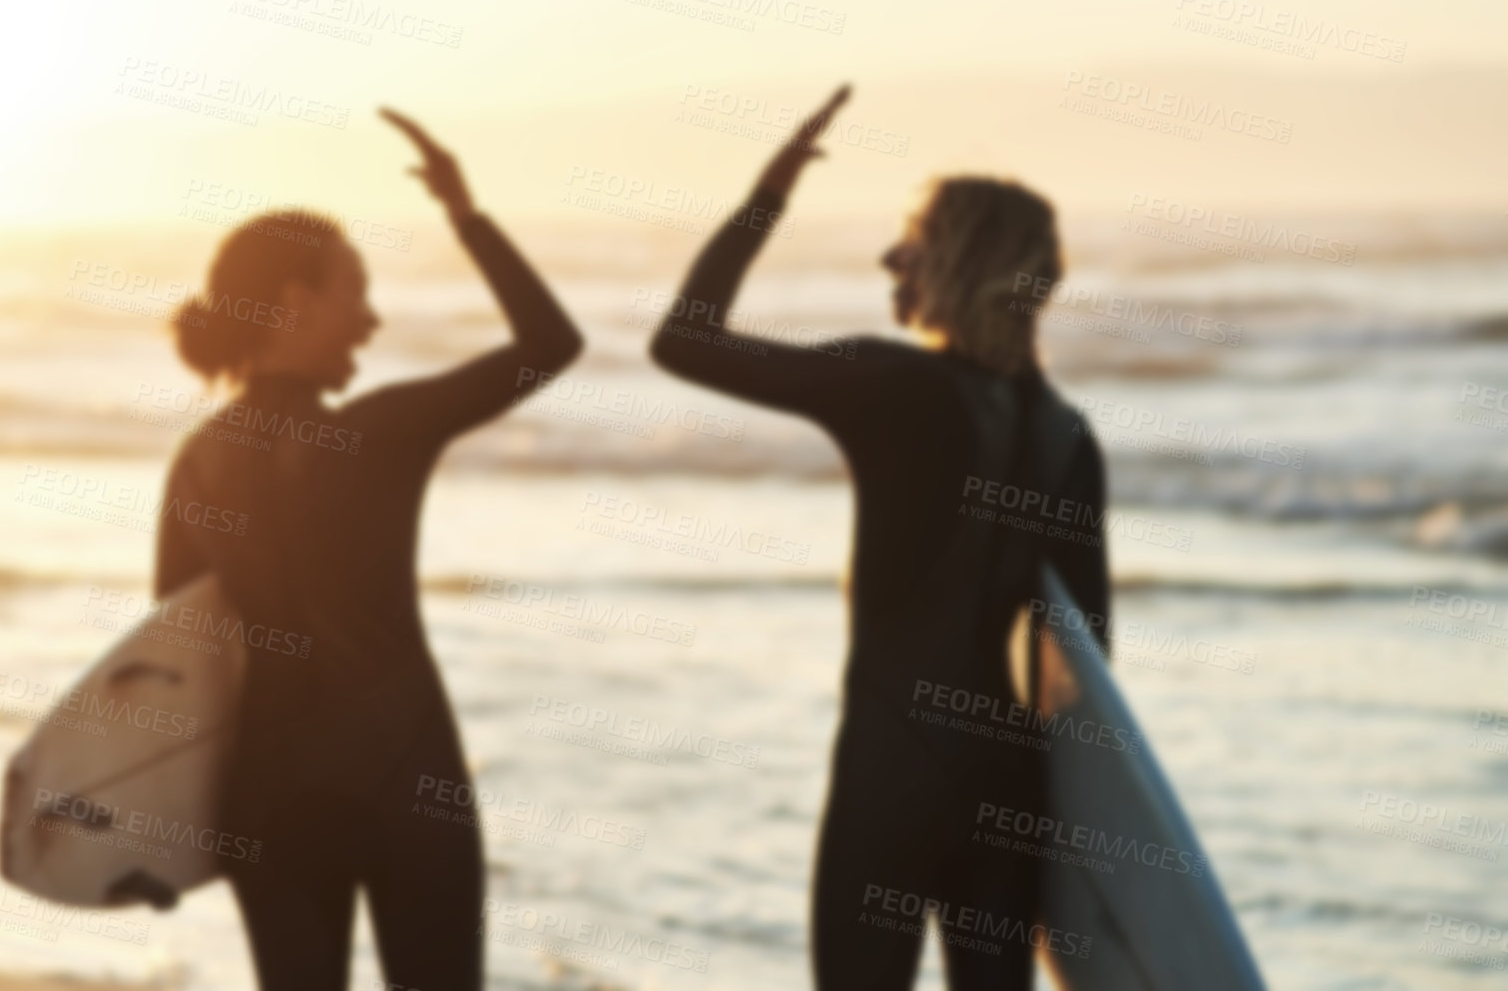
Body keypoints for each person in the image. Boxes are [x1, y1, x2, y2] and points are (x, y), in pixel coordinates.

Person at [649, 86, 1110, 989]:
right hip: (1008, 789)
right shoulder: (1068, 438)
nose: (888, 256)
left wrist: (767, 195)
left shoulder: (888, 383)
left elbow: (683, 341)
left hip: (891, 772)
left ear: (957, 261)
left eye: (914, 240)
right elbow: (1087, 668)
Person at [153, 110, 582, 990]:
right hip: (405, 780)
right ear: (295, 304)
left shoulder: (196, 463)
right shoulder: (381, 432)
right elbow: (551, 342)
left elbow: (171, 662)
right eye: (356, 291)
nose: (372, 319)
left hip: (269, 799)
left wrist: (151, 828)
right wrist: (465, 212)